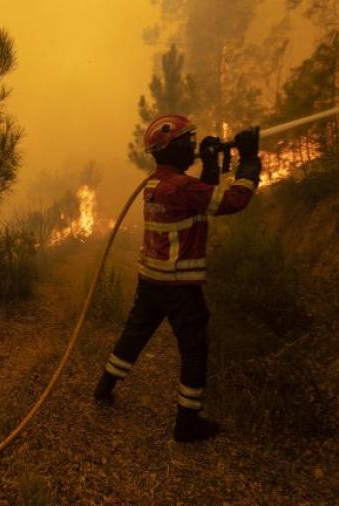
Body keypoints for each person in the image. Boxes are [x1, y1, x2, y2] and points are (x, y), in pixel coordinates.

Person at [92, 113, 261, 442]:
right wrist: (250, 161)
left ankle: (104, 387)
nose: (193, 147)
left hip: (151, 280)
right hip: (180, 286)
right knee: (194, 348)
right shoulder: (182, 187)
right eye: (189, 142)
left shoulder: (156, 184)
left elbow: (200, 200)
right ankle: (187, 423)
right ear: (173, 148)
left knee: (134, 334)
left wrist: (209, 164)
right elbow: (232, 201)